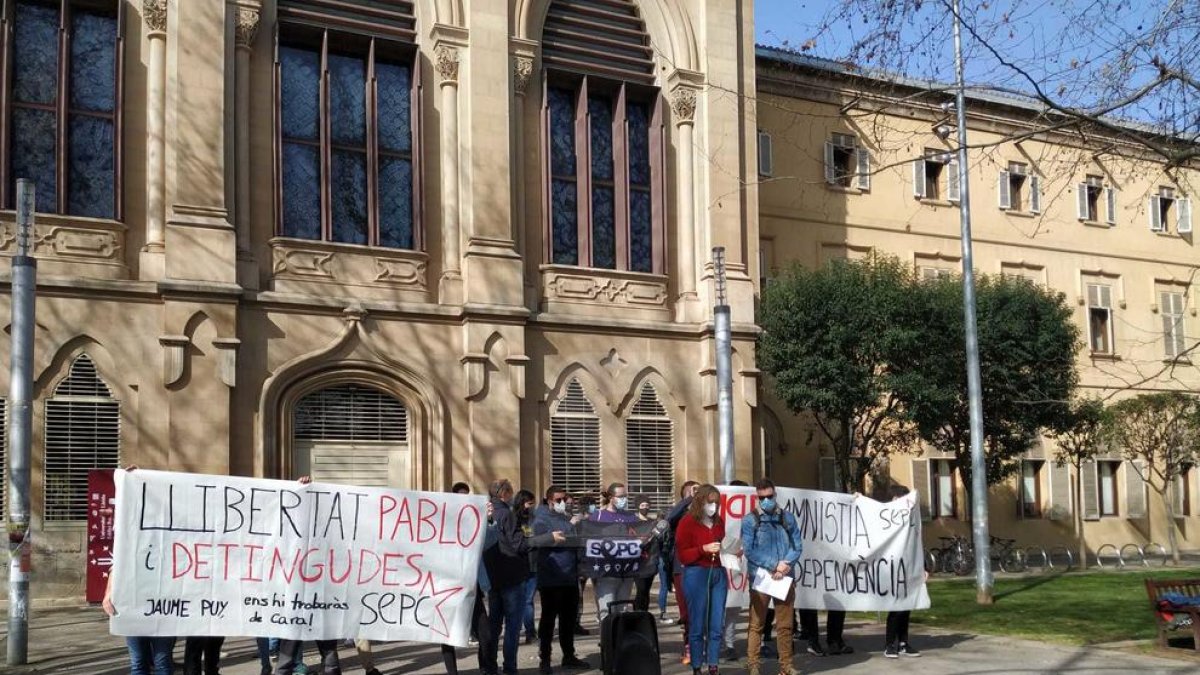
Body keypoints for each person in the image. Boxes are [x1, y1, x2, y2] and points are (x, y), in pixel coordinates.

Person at [483, 479, 563, 675]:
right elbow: (519, 545)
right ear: (504, 493)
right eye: (510, 490)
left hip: (493, 578)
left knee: (494, 626)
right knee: (512, 626)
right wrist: (548, 538)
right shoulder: (507, 515)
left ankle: (489, 667)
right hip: (511, 576)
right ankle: (510, 667)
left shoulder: (487, 513)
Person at [742, 478, 803, 675]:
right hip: (761, 578)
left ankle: (786, 666)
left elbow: (797, 546)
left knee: (785, 625)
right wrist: (773, 564)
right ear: (757, 498)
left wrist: (785, 564)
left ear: (775, 495)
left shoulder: (788, 518)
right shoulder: (750, 520)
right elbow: (749, 551)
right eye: (762, 498)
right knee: (757, 624)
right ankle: (753, 665)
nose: (766, 500)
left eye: (769, 496)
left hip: (784, 578)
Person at [532, 485, 592, 673]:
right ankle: (545, 659)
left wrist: (581, 565)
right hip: (551, 577)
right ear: (550, 501)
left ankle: (569, 655)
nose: (562, 503)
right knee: (548, 620)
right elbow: (545, 539)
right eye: (558, 500)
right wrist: (571, 525)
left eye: (563, 499)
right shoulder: (541, 519)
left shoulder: (566, 517)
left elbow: (577, 542)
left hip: (569, 576)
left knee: (568, 619)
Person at [676, 484, 728, 675]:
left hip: (718, 572)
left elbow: (722, 544)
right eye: (710, 502)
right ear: (701, 501)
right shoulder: (687, 522)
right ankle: (697, 666)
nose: (713, 506)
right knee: (697, 623)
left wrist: (732, 552)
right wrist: (702, 549)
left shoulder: (719, 521)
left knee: (716, 623)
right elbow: (683, 555)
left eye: (716, 502)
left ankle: (713, 665)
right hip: (696, 573)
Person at [882, 483, 922, 659]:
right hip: (892, 567)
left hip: (908, 567)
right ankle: (890, 644)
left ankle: (903, 643)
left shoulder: (912, 518)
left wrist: (923, 566)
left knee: (906, 607)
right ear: (894, 500)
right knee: (896, 607)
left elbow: (917, 540)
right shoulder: (885, 515)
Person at [591, 482, 641, 621]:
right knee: (606, 610)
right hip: (606, 572)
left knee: (623, 610)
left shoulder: (631, 517)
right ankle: (607, 640)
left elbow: (639, 537)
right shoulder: (598, 516)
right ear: (611, 497)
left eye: (625, 496)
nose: (623, 499)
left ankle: (619, 640)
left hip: (626, 571)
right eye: (620, 496)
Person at [666, 480, 699, 665]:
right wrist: (687, 501)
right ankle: (689, 645)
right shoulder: (679, 513)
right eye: (692, 491)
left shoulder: (706, 511)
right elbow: (669, 519)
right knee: (686, 612)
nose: (697, 493)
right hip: (682, 568)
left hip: (702, 567)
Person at [721, 480, 750, 662]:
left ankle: (729, 644)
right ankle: (718, 642)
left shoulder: (752, 516)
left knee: (733, 608)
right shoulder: (718, 514)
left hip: (742, 565)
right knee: (720, 608)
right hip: (723, 564)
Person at [515, 488, 540, 644]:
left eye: (533, 503)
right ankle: (520, 630)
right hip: (519, 565)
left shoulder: (535, 519)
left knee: (528, 600)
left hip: (534, 565)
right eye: (529, 503)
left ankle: (530, 632)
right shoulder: (514, 519)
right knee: (519, 601)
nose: (531, 506)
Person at [632, 495, 657, 612]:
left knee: (646, 590)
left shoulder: (653, 523)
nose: (645, 508)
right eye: (642, 505)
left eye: (647, 505)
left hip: (650, 560)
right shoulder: (633, 523)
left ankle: (644, 614)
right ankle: (638, 612)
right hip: (638, 561)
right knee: (641, 589)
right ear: (637, 507)